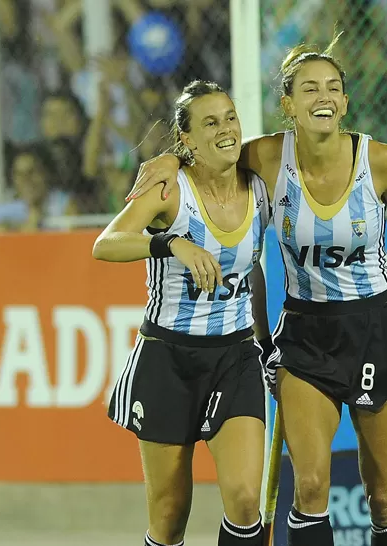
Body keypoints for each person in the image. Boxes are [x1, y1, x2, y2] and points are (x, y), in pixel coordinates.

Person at [125, 35, 387, 546]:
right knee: (309, 485)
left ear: (345, 100)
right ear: (288, 105)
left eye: (332, 88)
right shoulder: (262, 157)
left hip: (378, 327)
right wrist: (167, 163)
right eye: (309, 89)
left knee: (385, 496)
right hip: (306, 333)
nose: (323, 97)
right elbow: (204, 160)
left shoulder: (382, 161)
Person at [93, 80, 274, 546]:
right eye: (210, 123)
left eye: (230, 118)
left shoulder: (261, 184)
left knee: (244, 499)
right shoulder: (169, 189)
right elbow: (105, 245)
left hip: (235, 357)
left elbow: (251, 268)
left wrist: (266, 339)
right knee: (171, 516)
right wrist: (169, 243)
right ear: (187, 141)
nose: (226, 130)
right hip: (168, 359)